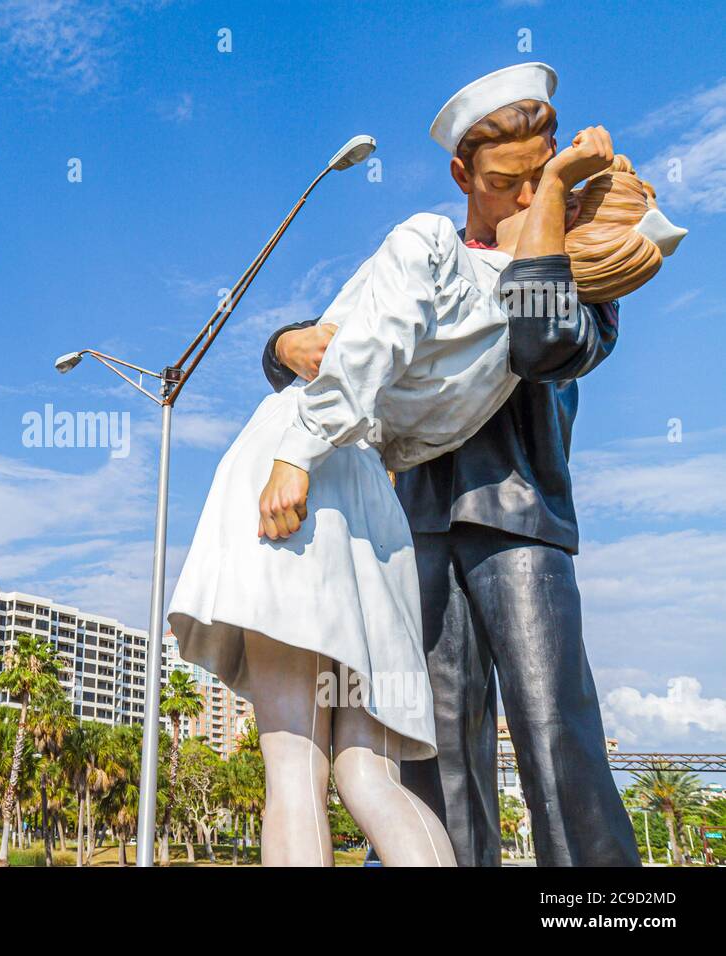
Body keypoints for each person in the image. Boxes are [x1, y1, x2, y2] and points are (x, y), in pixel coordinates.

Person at [257, 64, 673, 866]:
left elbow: (541, 345)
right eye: (505, 182)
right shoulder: (432, 254)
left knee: (554, 724)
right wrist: (280, 345)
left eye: (538, 177)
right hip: (413, 522)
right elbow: (360, 337)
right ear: (461, 175)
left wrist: (556, 202)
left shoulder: (586, 264)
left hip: (521, 517)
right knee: (435, 736)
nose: (522, 196)